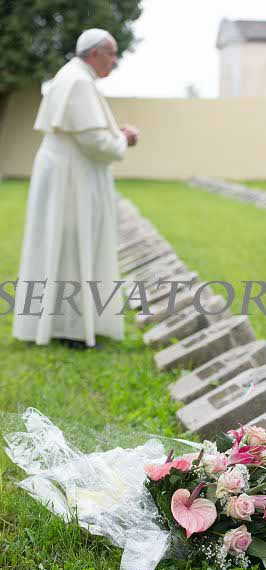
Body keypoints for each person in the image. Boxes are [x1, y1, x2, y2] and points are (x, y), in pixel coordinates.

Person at [13, 29, 138, 349]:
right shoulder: (79, 82)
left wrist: (114, 135)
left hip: (64, 174)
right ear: (95, 53)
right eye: (111, 53)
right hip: (72, 178)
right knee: (73, 244)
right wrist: (124, 140)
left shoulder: (70, 76)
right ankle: (71, 329)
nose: (115, 60)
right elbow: (95, 142)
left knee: (61, 243)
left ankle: (59, 324)